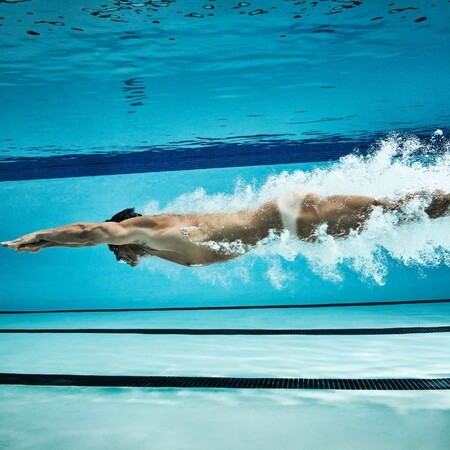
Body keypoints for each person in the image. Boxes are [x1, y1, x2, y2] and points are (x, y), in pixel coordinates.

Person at [2, 190, 449, 267]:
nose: (121, 257)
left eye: (116, 248)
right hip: (293, 224)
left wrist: (40, 237)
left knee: (407, 210)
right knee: (406, 211)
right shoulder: (158, 243)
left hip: (294, 218)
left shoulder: (146, 229)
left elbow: (89, 231)